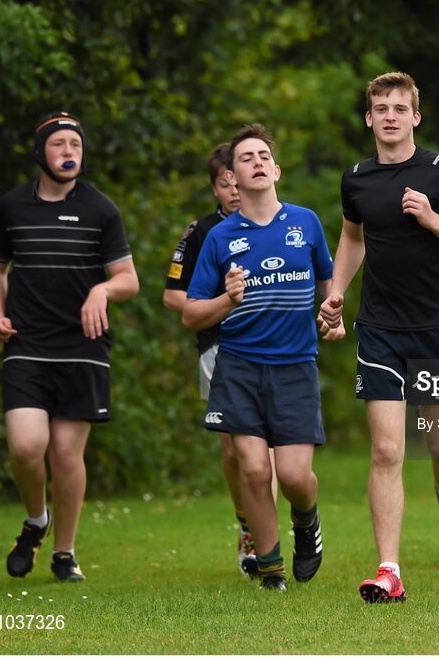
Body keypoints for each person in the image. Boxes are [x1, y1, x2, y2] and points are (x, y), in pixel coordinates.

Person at [319, 72, 439, 603]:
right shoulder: (356, 179)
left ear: (416, 116)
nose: (390, 115)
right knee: (387, 448)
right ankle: (389, 569)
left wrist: (432, 218)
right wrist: (336, 291)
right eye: (380, 108)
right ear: (369, 118)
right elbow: (352, 238)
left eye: (400, 107)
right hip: (379, 330)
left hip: (437, 329)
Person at [182, 124, 341, 591]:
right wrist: (227, 301)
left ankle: (307, 522)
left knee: (294, 476)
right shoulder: (219, 238)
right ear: (231, 176)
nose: (255, 162)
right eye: (245, 157)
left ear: (275, 168)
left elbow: (327, 286)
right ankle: (271, 566)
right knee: (252, 468)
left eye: (263, 155)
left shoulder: (306, 223)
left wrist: (332, 313)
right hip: (239, 364)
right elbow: (191, 313)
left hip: (294, 364)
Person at [0, 111, 140, 582]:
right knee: (27, 446)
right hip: (27, 343)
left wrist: (102, 291)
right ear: (40, 154)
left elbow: (128, 280)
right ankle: (37, 519)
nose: (69, 152)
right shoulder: (12, 207)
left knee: (67, 455)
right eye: (59, 144)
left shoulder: (101, 210)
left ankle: (64, 552)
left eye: (76, 144)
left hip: (83, 346)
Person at [163, 143, 273, 575]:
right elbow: (173, 296)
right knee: (234, 450)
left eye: (236, 180)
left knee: (270, 446)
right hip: (218, 345)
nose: (232, 189)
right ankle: (248, 526)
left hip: (272, 346)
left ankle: (270, 538)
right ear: (215, 187)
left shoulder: (277, 223)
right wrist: (221, 299)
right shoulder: (202, 233)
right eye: (223, 183)